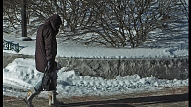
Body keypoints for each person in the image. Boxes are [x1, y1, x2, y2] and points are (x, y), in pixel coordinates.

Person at [26, 14, 63, 107]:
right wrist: (50, 60)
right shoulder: (49, 30)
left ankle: (53, 100)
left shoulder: (42, 27)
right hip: (46, 59)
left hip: (42, 58)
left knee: (52, 76)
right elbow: (48, 46)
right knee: (46, 81)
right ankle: (30, 95)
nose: (58, 27)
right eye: (58, 25)